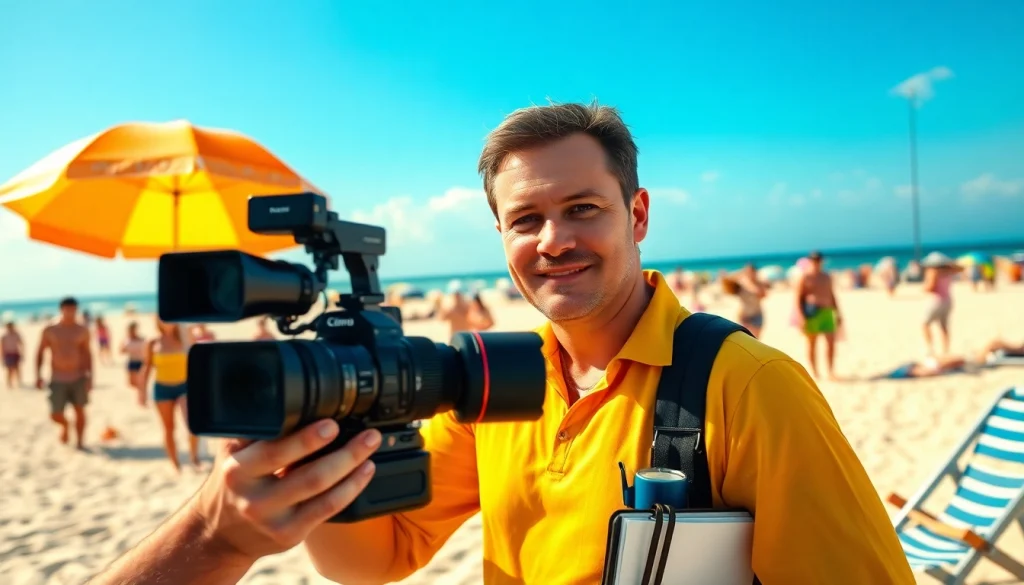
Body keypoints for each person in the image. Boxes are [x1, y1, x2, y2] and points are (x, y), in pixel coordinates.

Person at [85, 103, 914, 585]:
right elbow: (376, 556)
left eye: (582, 207)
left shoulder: (746, 384)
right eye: (525, 219)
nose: (553, 239)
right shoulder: (495, 378)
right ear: (500, 236)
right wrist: (322, 462)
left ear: (639, 215)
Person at [141, 318, 199, 473]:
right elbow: (147, 366)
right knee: (168, 428)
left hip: (184, 387)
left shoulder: (185, 337)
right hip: (162, 388)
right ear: (157, 321)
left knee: (193, 426)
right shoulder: (152, 342)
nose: (167, 322)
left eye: (170, 319)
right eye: (163, 319)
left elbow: (197, 360)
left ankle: (194, 458)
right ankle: (175, 464)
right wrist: (141, 391)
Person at [36, 297, 92, 448]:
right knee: (55, 414)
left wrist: (90, 377)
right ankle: (65, 426)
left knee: (80, 410)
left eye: (73, 309)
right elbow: (40, 352)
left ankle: (80, 441)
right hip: (57, 377)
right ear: (61, 309)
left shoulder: (82, 330)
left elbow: (87, 353)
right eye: (67, 309)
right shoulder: (50, 329)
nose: (70, 313)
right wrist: (38, 375)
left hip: (78, 376)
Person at [795, 250, 843, 380]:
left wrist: (838, 313)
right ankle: (815, 372)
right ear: (810, 261)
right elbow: (798, 298)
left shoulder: (826, 276)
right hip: (812, 313)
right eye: (814, 260)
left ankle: (831, 371)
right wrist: (801, 317)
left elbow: (832, 295)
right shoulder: (805, 277)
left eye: (819, 260)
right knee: (812, 344)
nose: (817, 263)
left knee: (831, 343)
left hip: (827, 312)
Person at [921, 252, 962, 357]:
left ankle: (930, 348)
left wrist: (924, 288)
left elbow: (930, 287)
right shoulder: (948, 271)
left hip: (936, 301)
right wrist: (950, 263)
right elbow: (961, 268)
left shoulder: (933, 271)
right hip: (948, 300)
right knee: (944, 326)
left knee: (925, 324)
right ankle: (946, 350)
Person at [734, 263, 768, 337]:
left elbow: (763, 295)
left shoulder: (759, 283)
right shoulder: (740, 284)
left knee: (755, 339)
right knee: (744, 339)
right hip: (744, 315)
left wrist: (749, 284)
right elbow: (726, 280)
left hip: (757, 314)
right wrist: (740, 275)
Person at [120, 321, 148, 406]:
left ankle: (142, 399)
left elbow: (147, 351)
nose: (132, 331)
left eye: (133, 329)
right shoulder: (126, 340)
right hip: (131, 362)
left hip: (141, 362)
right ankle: (141, 391)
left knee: (141, 382)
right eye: (130, 330)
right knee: (131, 383)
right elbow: (121, 351)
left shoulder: (142, 339)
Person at [2, 321, 24, 389]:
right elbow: (2, 347)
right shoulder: (4, 336)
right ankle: (9, 384)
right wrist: (2, 357)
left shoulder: (17, 334)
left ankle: (19, 382)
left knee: (17, 368)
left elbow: (21, 344)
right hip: (8, 354)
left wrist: (22, 353)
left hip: (15, 353)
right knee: (9, 370)